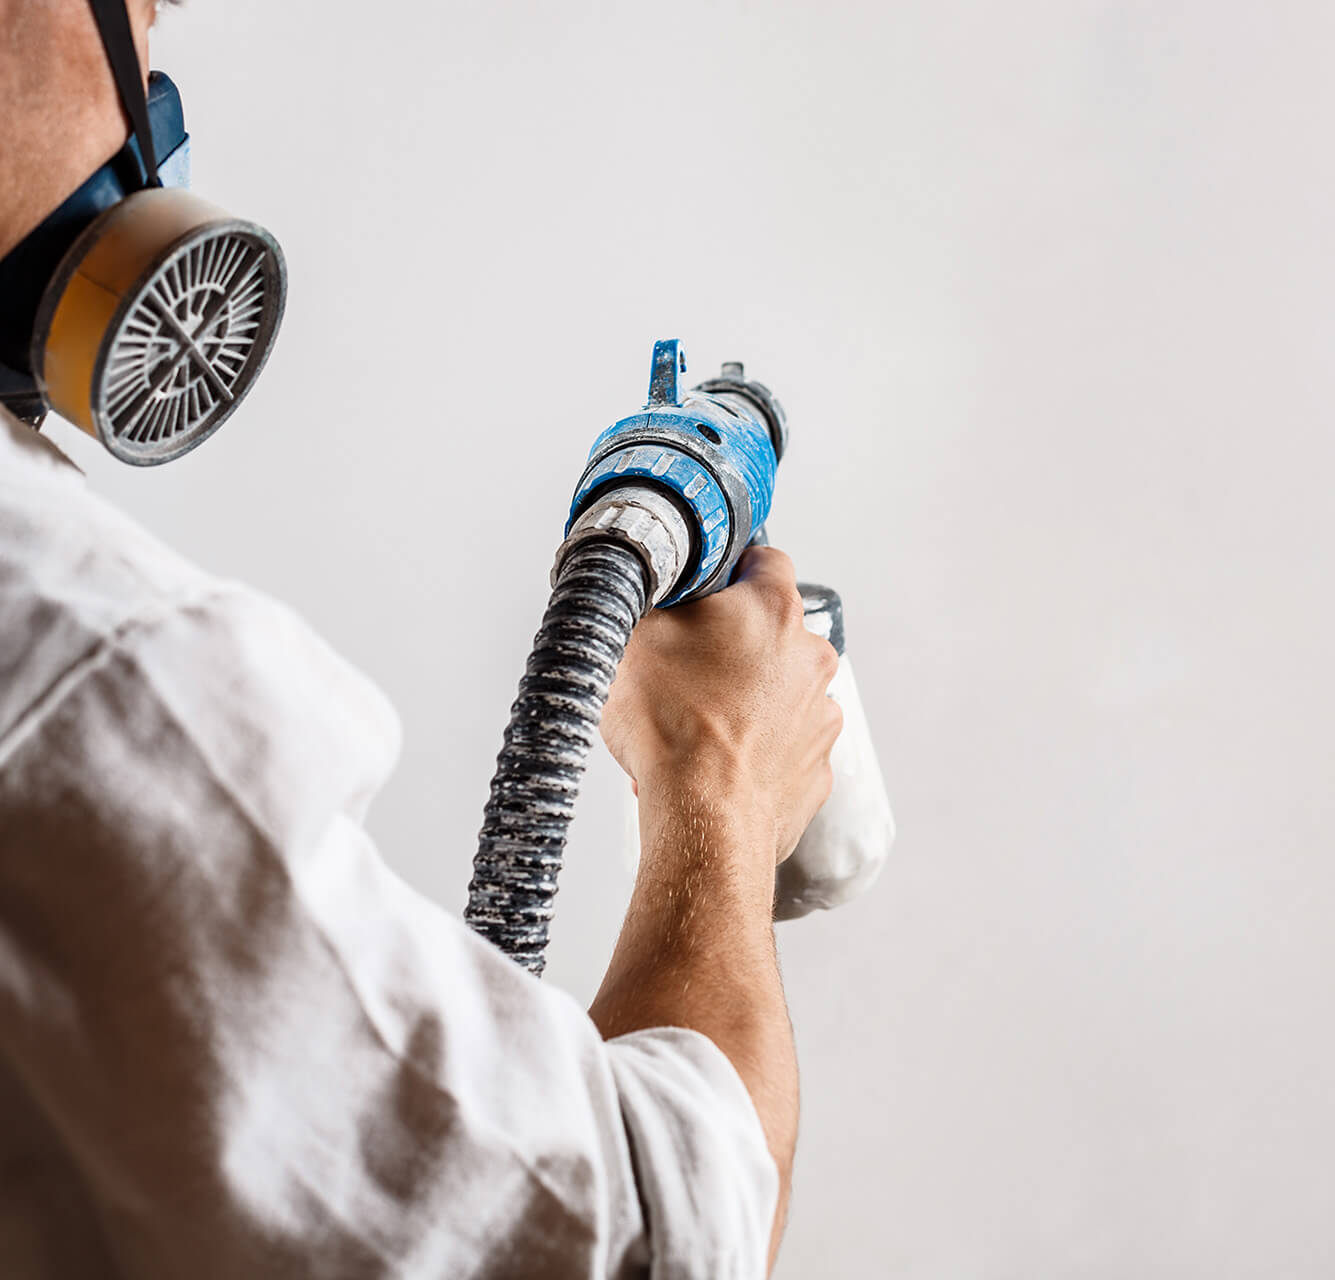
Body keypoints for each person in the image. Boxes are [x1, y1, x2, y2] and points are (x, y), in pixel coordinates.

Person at [0, 1, 842, 1276]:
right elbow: (647, 1236)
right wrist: (719, 767)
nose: (152, 90)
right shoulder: (75, 664)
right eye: (136, 11)